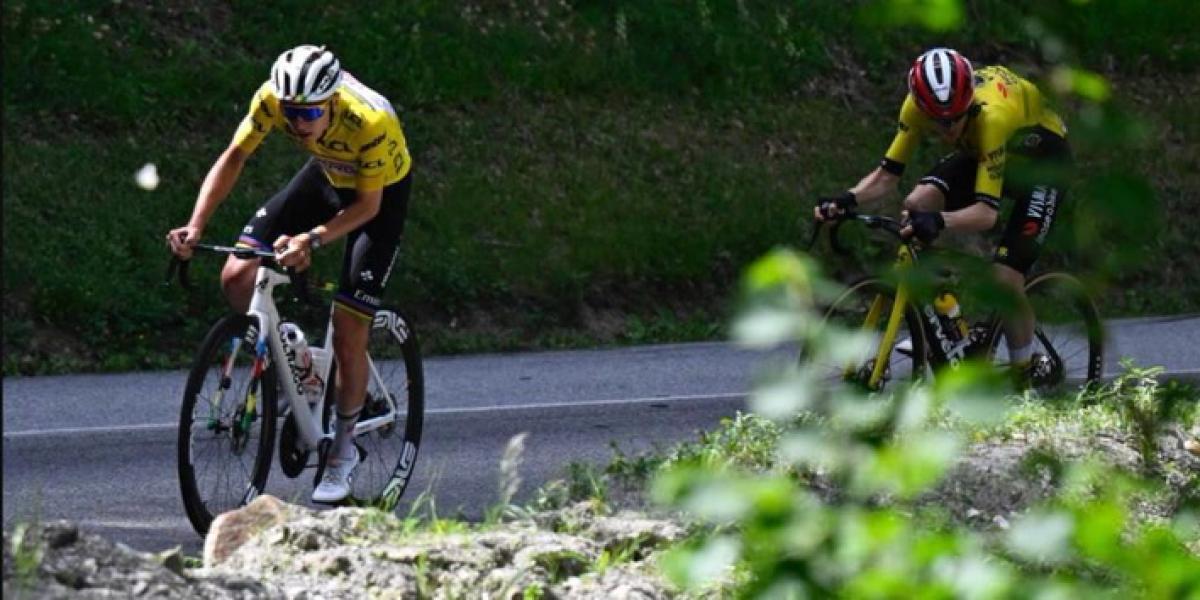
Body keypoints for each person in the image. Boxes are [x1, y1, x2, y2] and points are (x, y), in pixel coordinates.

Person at [167, 44, 413, 502]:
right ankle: (291, 364)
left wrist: (313, 239)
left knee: (348, 327)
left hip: (377, 198)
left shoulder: (371, 121)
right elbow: (235, 156)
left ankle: (342, 451)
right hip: (326, 177)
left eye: (309, 113)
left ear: (333, 102)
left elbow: (367, 206)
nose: (298, 123)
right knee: (236, 276)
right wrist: (196, 224)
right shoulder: (272, 99)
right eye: (291, 112)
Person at [814, 47, 1071, 387]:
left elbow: (986, 215)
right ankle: (947, 317)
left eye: (955, 119)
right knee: (918, 203)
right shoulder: (915, 107)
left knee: (1006, 278)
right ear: (922, 107)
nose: (947, 129)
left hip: (1042, 165)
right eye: (938, 120)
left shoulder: (992, 117)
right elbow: (886, 176)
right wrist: (846, 199)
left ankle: (1024, 372)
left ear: (968, 102)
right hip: (986, 153)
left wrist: (941, 221)